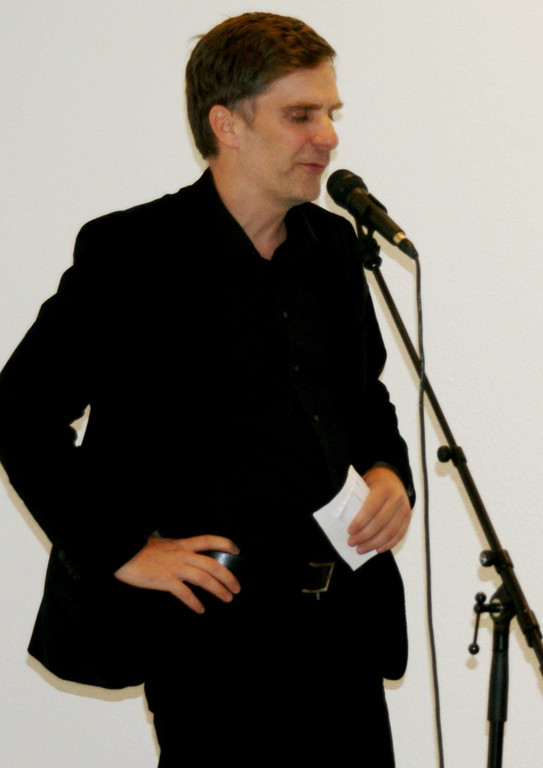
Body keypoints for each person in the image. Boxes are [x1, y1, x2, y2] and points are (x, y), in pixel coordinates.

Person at [0, 12, 415, 767]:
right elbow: (18, 413)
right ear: (226, 124)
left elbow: (364, 402)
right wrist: (121, 548)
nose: (327, 136)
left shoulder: (331, 250)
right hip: (210, 637)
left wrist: (388, 473)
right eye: (301, 115)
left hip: (341, 625)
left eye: (330, 113)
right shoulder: (133, 254)